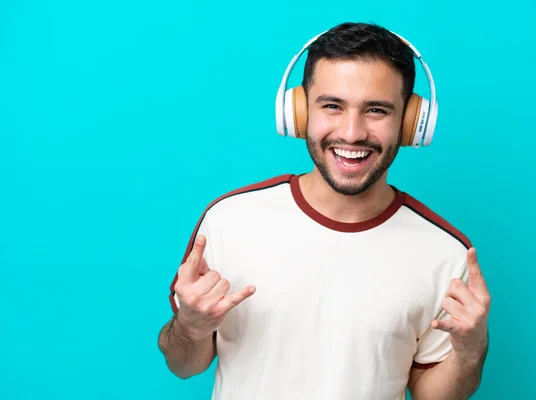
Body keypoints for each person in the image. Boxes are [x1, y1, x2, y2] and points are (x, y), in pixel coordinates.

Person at [157, 21, 491, 400]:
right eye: (332, 106)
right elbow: (184, 365)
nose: (352, 133)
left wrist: (470, 352)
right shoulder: (229, 220)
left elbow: (434, 396)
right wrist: (190, 326)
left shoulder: (445, 254)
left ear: (412, 122)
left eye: (377, 110)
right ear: (299, 112)